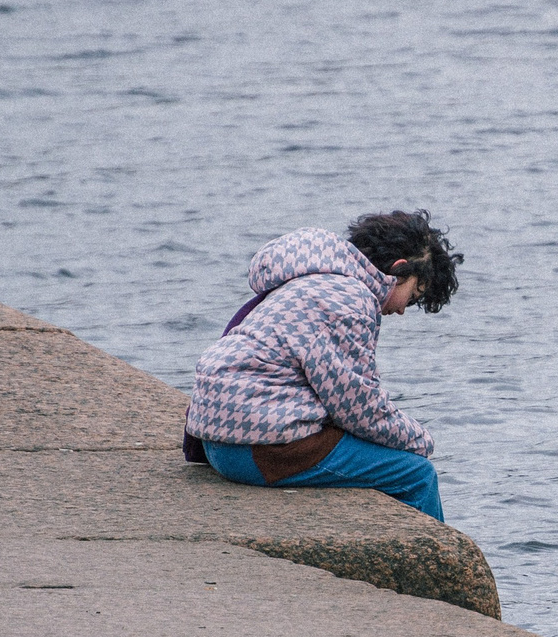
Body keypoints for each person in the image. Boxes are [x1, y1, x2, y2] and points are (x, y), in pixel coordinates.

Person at [183, 211, 462, 521]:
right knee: (416, 474)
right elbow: (358, 408)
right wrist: (421, 441)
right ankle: (432, 567)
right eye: (412, 296)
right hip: (254, 451)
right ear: (398, 271)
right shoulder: (350, 302)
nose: (401, 311)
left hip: (215, 439)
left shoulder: (312, 279)